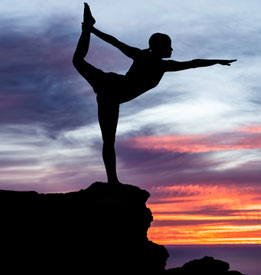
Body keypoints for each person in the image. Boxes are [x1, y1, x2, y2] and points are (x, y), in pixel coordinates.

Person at [73, 3, 236, 184]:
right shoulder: (152, 61)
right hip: (110, 89)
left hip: (111, 88)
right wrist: (217, 61)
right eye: (169, 46)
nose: (172, 50)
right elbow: (115, 42)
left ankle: (87, 27)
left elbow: (193, 62)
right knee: (108, 140)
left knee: (78, 61)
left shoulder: (156, 62)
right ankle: (113, 182)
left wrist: (217, 61)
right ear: (160, 48)